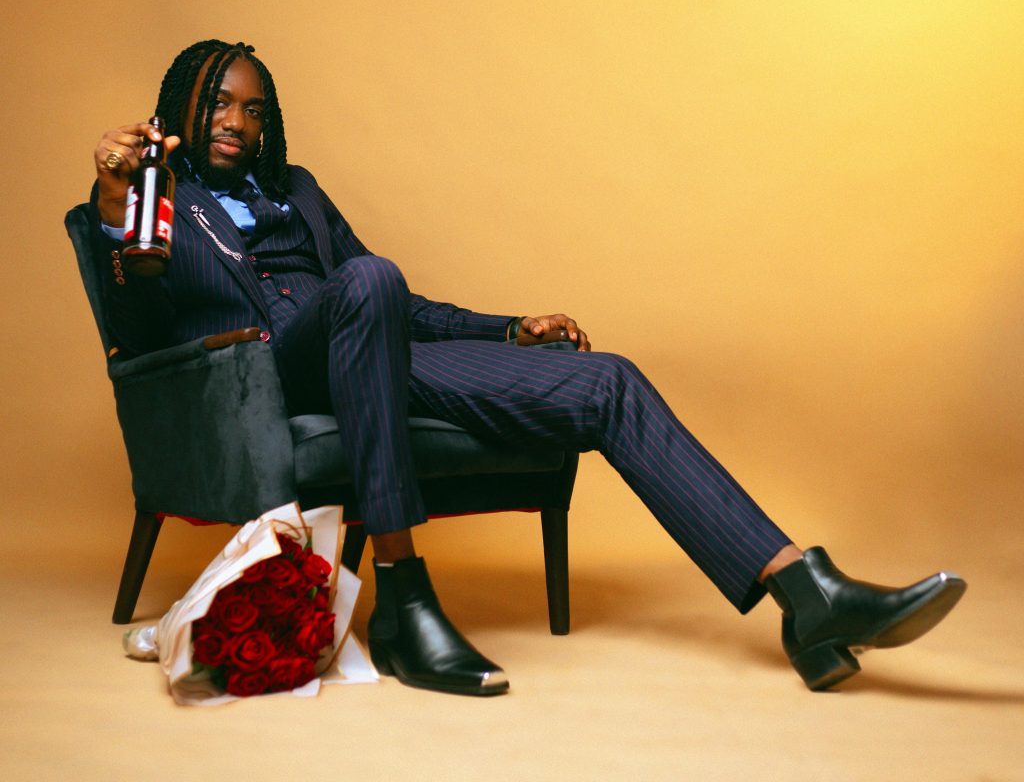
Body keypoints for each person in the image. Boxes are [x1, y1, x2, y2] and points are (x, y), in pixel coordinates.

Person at [90, 39, 965, 697]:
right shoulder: (154, 203)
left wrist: (509, 328)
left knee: (607, 379)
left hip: (374, 356)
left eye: (254, 109)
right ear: (177, 112)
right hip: (265, 379)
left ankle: (804, 595)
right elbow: (136, 326)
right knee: (368, 278)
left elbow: (400, 306)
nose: (238, 124)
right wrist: (114, 198)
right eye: (218, 106)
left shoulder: (303, 191)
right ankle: (403, 599)